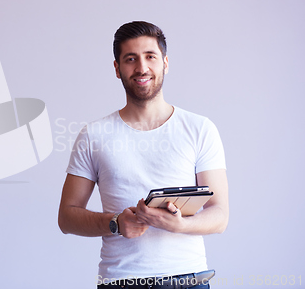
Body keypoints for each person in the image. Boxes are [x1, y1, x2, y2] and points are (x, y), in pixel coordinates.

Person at [58, 21, 229, 288]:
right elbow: (67, 217)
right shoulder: (93, 135)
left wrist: (179, 225)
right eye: (130, 59)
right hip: (120, 280)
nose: (142, 68)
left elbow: (219, 215)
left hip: (189, 279)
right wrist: (115, 223)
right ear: (117, 68)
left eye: (150, 56)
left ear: (166, 63)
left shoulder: (200, 129)